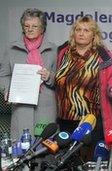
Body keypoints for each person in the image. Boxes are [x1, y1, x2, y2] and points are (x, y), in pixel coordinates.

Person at [55, 16, 112, 157]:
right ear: (73, 32)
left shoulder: (103, 54)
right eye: (78, 29)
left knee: (91, 161)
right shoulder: (62, 52)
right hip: (66, 120)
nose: (81, 33)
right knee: (66, 161)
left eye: (86, 30)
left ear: (94, 35)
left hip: (92, 121)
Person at [0, 8, 57, 140]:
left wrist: (49, 76)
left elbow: (61, 79)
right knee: (21, 148)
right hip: (21, 107)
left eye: (35, 26)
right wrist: (8, 90)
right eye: (26, 26)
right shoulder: (11, 49)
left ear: (42, 29)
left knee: (44, 148)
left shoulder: (54, 50)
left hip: (46, 108)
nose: (30, 29)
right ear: (22, 27)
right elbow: (3, 75)